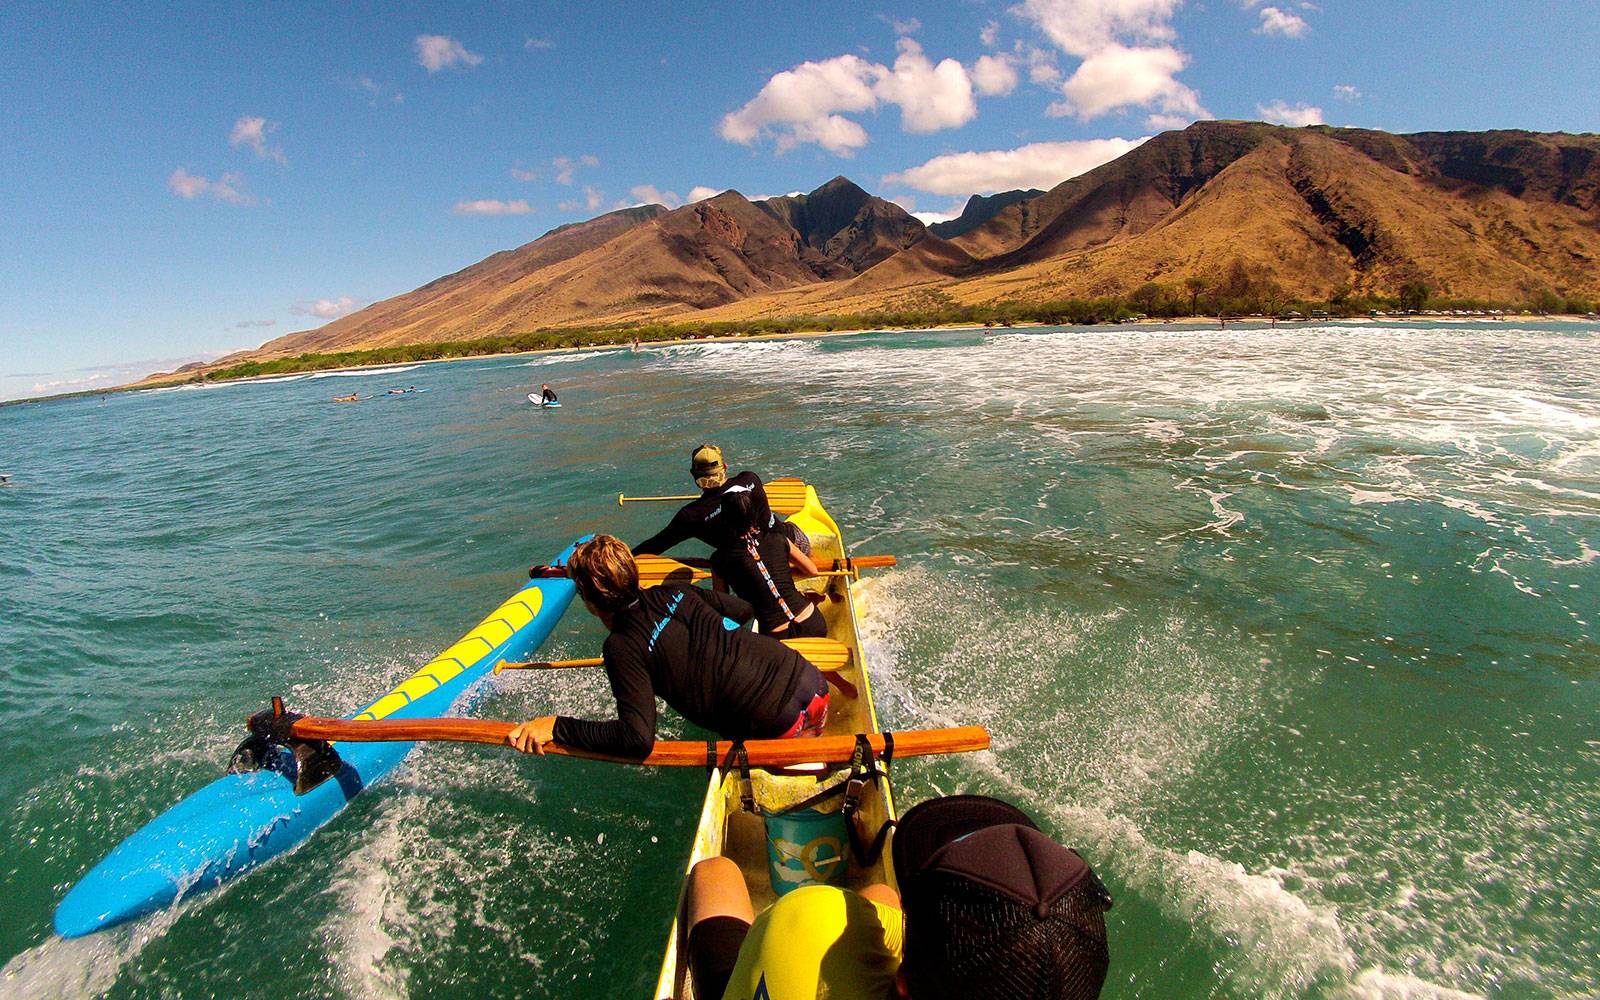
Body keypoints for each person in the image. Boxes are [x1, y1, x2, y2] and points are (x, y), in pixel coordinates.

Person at [685, 794, 1113, 1000]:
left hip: (792, 946)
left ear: (905, 982)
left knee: (715, 871)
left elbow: (870, 907)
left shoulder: (811, 917)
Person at [507, 535, 829, 759]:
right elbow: (744, 611)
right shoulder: (677, 592)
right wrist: (716, 638)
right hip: (813, 681)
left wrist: (557, 726)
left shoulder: (621, 646)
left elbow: (637, 739)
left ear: (590, 602)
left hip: (782, 724)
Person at [633, 445, 810, 557]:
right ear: (725, 467)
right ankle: (814, 562)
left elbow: (655, 545)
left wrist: (626, 556)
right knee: (795, 536)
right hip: (790, 544)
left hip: (747, 568)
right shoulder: (750, 479)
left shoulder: (690, 517)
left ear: (693, 475)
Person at [710, 487, 826, 638]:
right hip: (813, 622)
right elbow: (812, 570)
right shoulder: (779, 538)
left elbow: (723, 606)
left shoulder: (719, 560)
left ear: (725, 519)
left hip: (776, 636)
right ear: (755, 513)